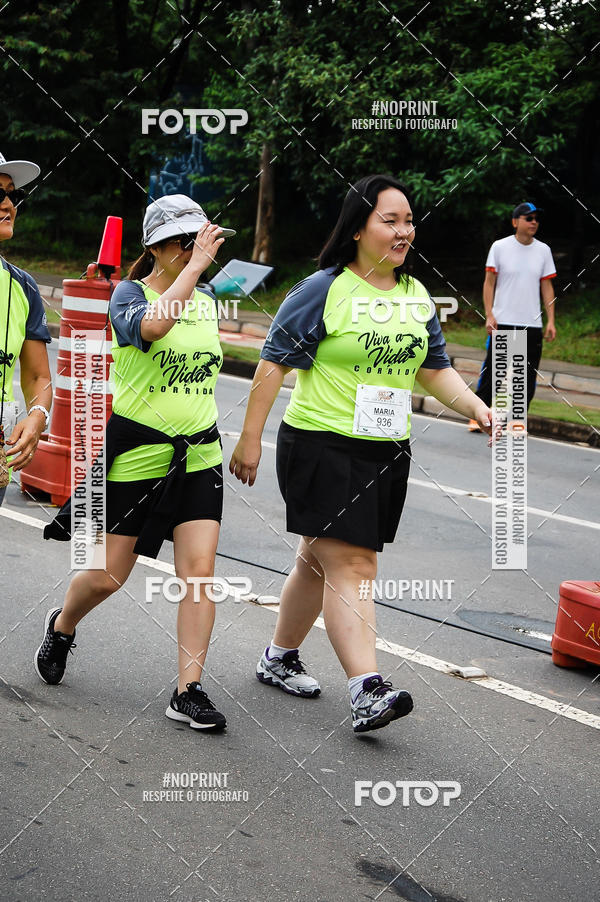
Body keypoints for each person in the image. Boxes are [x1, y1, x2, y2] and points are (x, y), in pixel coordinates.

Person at [230, 174, 493, 734]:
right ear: (358, 229)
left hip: (384, 452)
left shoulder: (416, 296)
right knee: (354, 565)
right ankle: (367, 689)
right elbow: (273, 362)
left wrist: (478, 406)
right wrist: (251, 438)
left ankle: (277, 658)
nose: (404, 231)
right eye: (390, 220)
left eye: (408, 220)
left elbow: (434, 369)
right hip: (320, 444)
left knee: (315, 559)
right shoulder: (324, 289)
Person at [35, 194, 235, 733]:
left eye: (200, 240)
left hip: (198, 454)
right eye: (185, 241)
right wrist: (193, 268)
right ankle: (62, 623)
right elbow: (152, 329)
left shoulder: (209, 298)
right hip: (138, 457)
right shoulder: (128, 294)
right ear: (157, 247)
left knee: (199, 575)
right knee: (107, 576)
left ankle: (188, 690)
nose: (197, 250)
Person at [469, 201, 557, 432]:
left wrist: (551, 320)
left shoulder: (543, 250)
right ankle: (480, 415)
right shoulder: (500, 247)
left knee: (526, 373)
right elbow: (489, 283)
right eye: (529, 218)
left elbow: (547, 287)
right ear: (515, 221)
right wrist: (489, 314)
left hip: (532, 322)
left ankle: (517, 420)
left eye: (537, 218)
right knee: (494, 371)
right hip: (503, 320)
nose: (534, 222)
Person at [0, 150, 52, 503]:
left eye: (12, 194)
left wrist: (37, 416)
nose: (8, 204)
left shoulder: (24, 287)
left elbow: (37, 377)